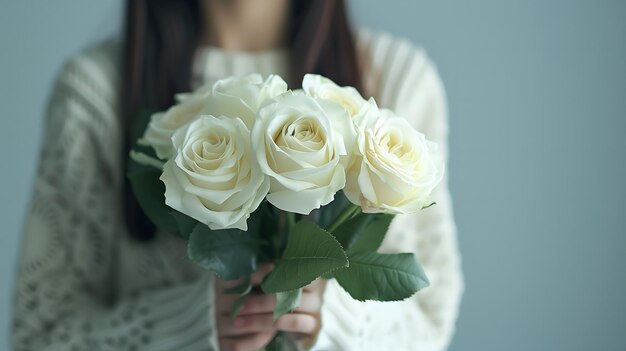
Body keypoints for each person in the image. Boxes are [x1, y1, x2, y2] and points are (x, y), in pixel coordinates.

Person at [12, 0, 463, 350]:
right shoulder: (95, 94)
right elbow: (40, 333)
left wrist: (336, 316)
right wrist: (186, 326)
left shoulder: (397, 79)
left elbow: (431, 319)